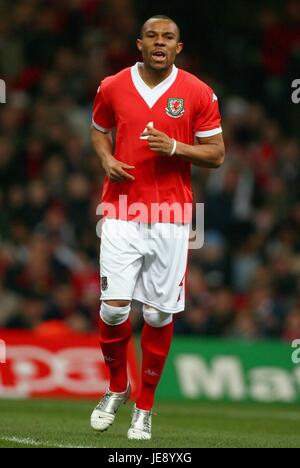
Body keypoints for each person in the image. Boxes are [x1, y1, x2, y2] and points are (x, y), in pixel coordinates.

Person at [90, 15, 225, 440]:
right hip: (120, 209)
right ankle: (117, 387)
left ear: (178, 48)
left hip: (171, 215)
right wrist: (106, 159)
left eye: (168, 37)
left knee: (158, 312)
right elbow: (98, 130)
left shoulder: (197, 92)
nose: (160, 42)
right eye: (152, 36)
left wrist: (175, 147)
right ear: (140, 44)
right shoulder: (112, 85)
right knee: (113, 308)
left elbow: (217, 154)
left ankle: (145, 407)